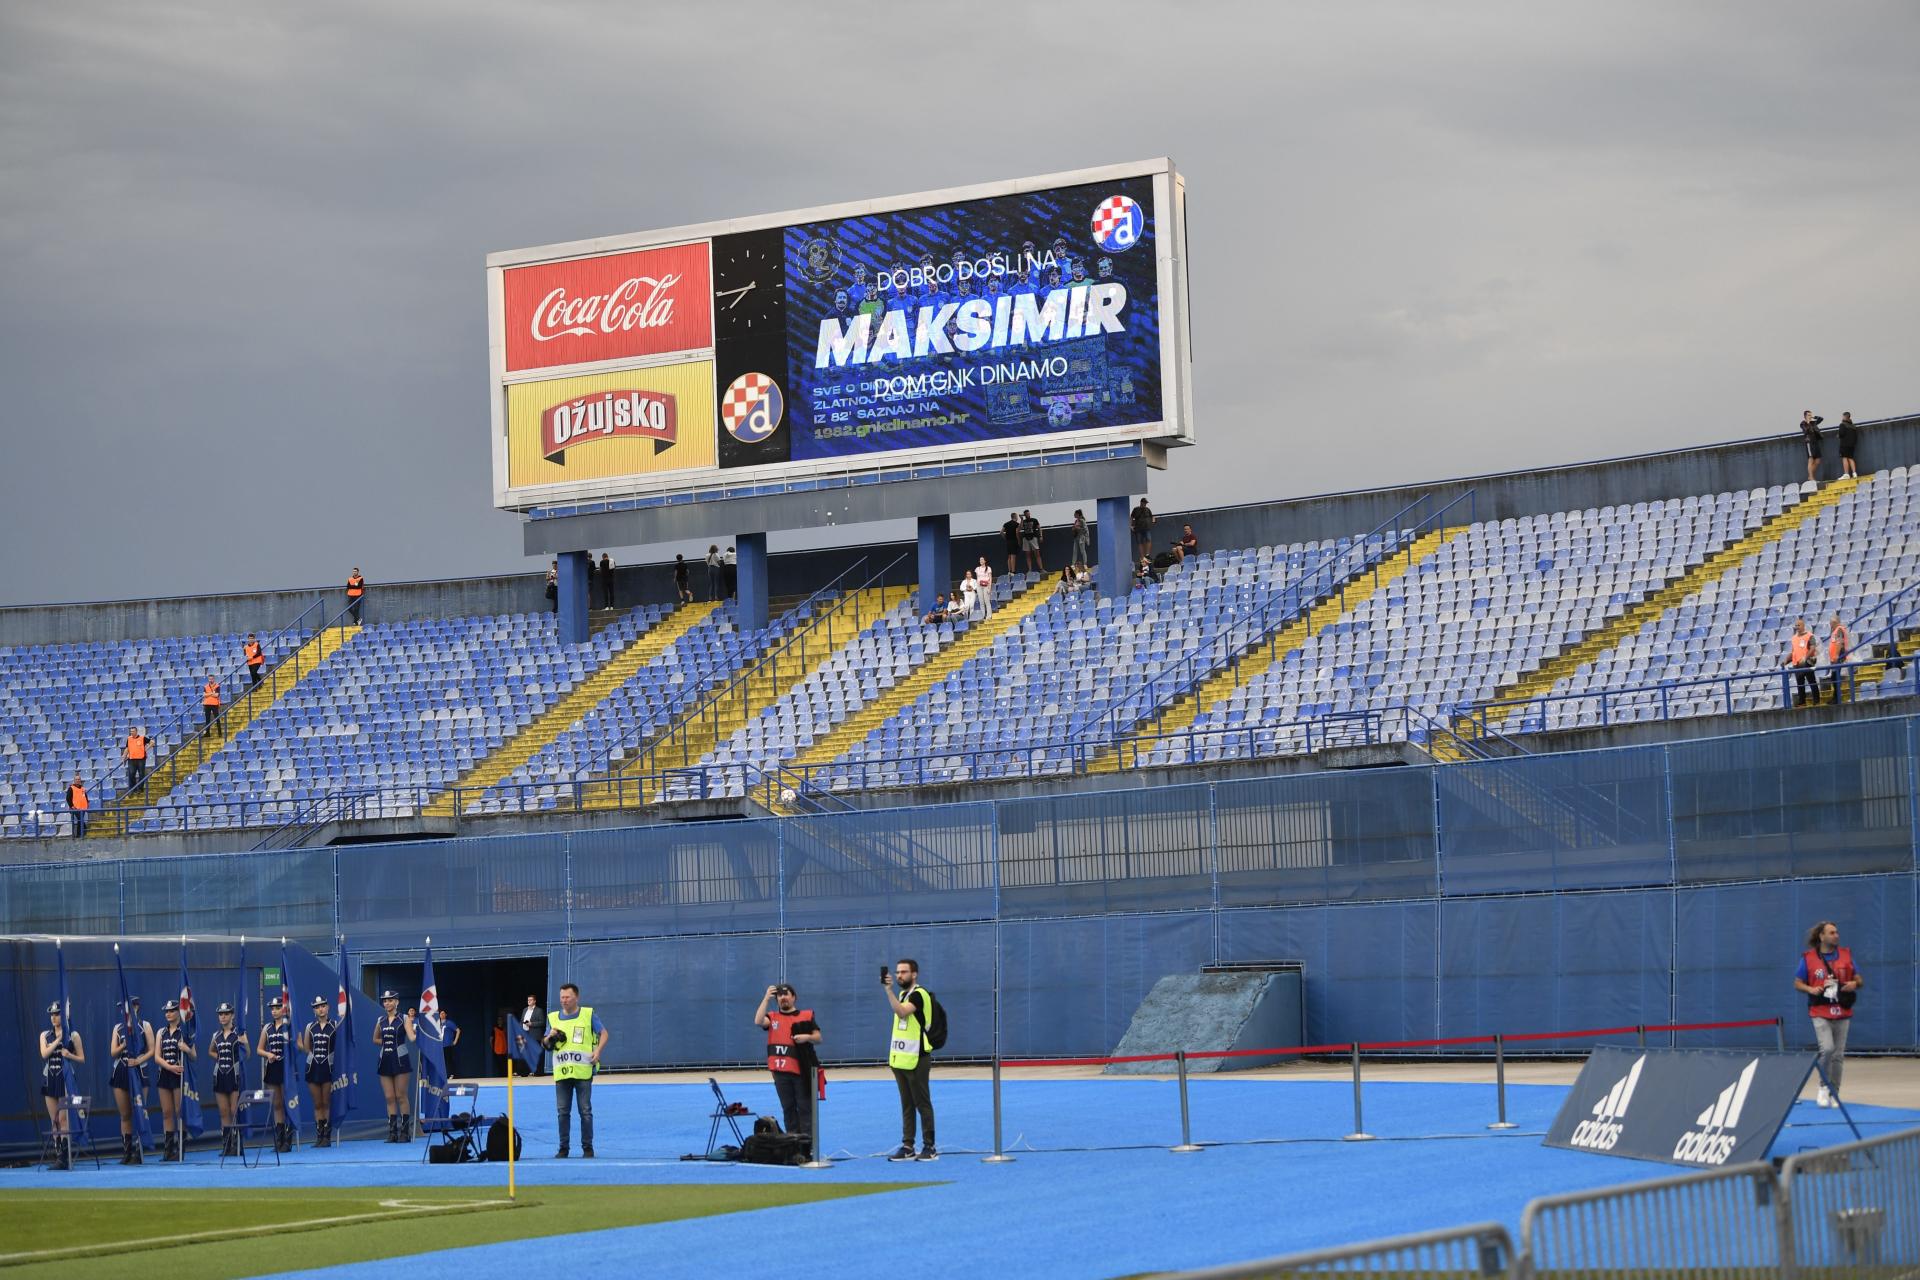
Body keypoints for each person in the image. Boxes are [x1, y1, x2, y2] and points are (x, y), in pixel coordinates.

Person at [1794, 921, 1863, 1107]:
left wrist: (1855, 984)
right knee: (1828, 1049)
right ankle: (1823, 1087)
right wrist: (1810, 989)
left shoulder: (1846, 956)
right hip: (1820, 1011)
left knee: (1838, 1055)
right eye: (1832, 932)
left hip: (1842, 1011)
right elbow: (1798, 982)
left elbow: (1859, 978)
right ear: (1821, 936)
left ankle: (1834, 1093)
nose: (1836, 935)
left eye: (1837, 932)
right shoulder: (1808, 959)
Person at [882, 958, 936, 1162]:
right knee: (906, 1103)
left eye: (903, 972)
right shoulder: (903, 994)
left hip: (918, 1057)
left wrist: (888, 991)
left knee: (922, 1102)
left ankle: (929, 1146)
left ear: (914, 974)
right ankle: (908, 1145)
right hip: (901, 1058)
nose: (899, 976)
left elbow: (902, 1012)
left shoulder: (919, 995)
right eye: (897, 972)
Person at [545, 982, 607, 1158]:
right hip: (562, 1072)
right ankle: (563, 1148)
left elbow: (604, 1033)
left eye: (567, 997)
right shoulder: (553, 1018)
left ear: (576, 997)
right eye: (562, 997)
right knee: (562, 1112)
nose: (564, 1000)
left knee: (585, 1111)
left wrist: (598, 1050)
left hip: (583, 1071)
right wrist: (549, 1037)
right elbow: (545, 1043)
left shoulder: (588, 1014)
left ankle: (587, 1147)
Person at [755, 983, 823, 1137]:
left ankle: (808, 1145)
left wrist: (807, 1037)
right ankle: (793, 1142)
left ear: (794, 997)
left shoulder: (805, 1016)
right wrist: (766, 998)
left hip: (801, 1073)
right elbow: (758, 1021)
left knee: (805, 1108)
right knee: (788, 1109)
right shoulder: (772, 1018)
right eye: (780, 995)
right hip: (780, 1074)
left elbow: (818, 1038)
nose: (783, 997)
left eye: (786, 994)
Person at [110, 995, 154, 1163]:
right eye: (122, 1007)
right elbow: (113, 1052)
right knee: (125, 1114)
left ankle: (139, 1150)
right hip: (121, 1070)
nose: (125, 1010)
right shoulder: (117, 1028)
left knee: (139, 1111)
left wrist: (138, 1060)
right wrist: (123, 1045)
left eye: (128, 1007)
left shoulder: (145, 1025)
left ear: (136, 1007)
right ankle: (127, 1151)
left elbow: (151, 1050)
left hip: (139, 1070)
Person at [40, 1001, 84, 1166]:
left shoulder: (73, 1035)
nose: (54, 1017)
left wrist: (69, 1055)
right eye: (52, 1014)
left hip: (66, 1078)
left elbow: (81, 1058)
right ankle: (58, 1154)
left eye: (57, 1014)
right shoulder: (45, 1035)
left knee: (64, 1119)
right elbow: (44, 1054)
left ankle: (65, 1155)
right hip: (50, 1077)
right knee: (55, 1120)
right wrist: (58, 1039)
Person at [154, 998, 193, 1161]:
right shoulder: (161, 1032)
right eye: (167, 1012)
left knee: (179, 1111)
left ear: (179, 1012)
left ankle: (181, 1147)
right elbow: (157, 1057)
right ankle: (168, 1149)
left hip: (180, 1075)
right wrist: (169, 1067)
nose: (169, 1014)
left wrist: (187, 1049)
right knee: (166, 1112)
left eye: (172, 1011)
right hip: (165, 1073)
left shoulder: (185, 1031)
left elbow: (194, 1056)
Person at [374, 990, 416, 1143]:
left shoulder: (404, 1018)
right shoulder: (380, 1020)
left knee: (401, 1096)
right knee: (389, 1097)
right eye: (385, 1001)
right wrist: (386, 1044)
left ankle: (405, 1132)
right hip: (384, 1060)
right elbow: (375, 1039)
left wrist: (423, 1033)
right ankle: (392, 1133)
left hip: (400, 1059)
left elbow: (411, 1037)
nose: (387, 1003)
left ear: (397, 1002)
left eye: (390, 1000)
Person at [209, 1001, 249, 1156]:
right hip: (219, 1075)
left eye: (226, 1014)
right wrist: (219, 1057)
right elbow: (211, 1051)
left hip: (235, 1074)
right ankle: (226, 1145)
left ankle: (237, 1144)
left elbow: (248, 1054)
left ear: (232, 1015)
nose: (223, 1016)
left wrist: (244, 1044)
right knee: (224, 1111)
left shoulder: (239, 1033)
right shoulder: (216, 1035)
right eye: (221, 1014)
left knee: (234, 1110)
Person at [256, 996, 295, 1152]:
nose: (274, 1011)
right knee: (277, 1104)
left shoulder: (289, 1026)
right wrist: (268, 1055)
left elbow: (299, 1045)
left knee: (287, 1103)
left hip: (286, 1067)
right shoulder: (267, 1028)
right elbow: (259, 1049)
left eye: (277, 1008)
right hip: (273, 1067)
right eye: (272, 1008)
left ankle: (288, 1140)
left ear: (283, 1009)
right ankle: (279, 1140)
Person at [300, 994, 337, 1147]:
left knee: (326, 1102)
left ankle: (327, 1136)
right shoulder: (310, 1027)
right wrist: (299, 1043)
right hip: (313, 1068)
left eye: (322, 1006)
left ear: (327, 1007)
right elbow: (306, 1047)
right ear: (314, 1010)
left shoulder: (335, 1024)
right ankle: (319, 1135)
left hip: (328, 1067)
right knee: (317, 1104)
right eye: (317, 1007)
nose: (320, 1009)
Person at [1784, 617, 1819, 706]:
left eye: (1798, 625)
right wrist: (1786, 660)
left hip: (1807, 663)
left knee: (1811, 681)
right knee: (1800, 684)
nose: (1797, 627)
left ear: (1803, 626)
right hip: (1797, 664)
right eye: (1796, 625)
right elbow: (1793, 651)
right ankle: (1802, 702)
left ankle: (1816, 700)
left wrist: (1805, 657)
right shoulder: (1794, 638)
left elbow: (1812, 648)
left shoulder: (1809, 636)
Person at [1825, 614, 1852, 703]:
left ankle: (1837, 698)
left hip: (1838, 657)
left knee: (1835, 677)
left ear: (1835, 622)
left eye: (1831, 623)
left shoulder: (1839, 630)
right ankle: (1835, 697)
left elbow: (1839, 642)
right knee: (1834, 677)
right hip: (1834, 659)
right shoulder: (1836, 630)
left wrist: (1836, 654)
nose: (1830, 625)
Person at [1799, 411, 1824, 483]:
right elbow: (1805, 431)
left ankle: (1810, 476)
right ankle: (1812, 478)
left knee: (1818, 460)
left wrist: (1814, 417)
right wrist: (1808, 422)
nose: (1810, 416)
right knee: (1811, 459)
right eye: (1808, 415)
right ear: (1805, 416)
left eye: (1811, 415)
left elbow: (1821, 419)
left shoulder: (1813, 423)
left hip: (1815, 442)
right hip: (1809, 442)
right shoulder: (1803, 423)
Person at [124, 726, 151, 793]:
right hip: (132, 759)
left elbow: (152, 742)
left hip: (141, 759)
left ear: (136, 731)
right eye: (131, 731)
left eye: (133, 731)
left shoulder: (142, 738)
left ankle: (140, 789)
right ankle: (133, 789)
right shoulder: (129, 738)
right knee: (131, 773)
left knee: (141, 774)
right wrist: (124, 756)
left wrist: (147, 749)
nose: (131, 732)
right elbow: (127, 748)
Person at [521, 995, 544, 1075]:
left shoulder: (539, 1010)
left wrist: (531, 1024)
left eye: (531, 1000)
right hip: (525, 1034)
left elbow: (542, 1022)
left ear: (534, 1001)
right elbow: (521, 1020)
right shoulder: (525, 1010)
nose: (529, 1001)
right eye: (528, 1000)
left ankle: (538, 1072)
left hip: (534, 1035)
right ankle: (525, 1072)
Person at [1836, 412, 1860, 479]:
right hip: (1852, 445)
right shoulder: (1853, 426)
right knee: (1851, 458)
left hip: (1844, 444)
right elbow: (1855, 437)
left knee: (1844, 458)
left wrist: (1838, 435)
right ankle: (1854, 473)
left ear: (1844, 417)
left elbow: (1841, 434)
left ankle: (1846, 474)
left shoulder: (1842, 424)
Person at [1020, 510, 1044, 574]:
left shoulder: (1034, 520)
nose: (1027, 515)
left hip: (1033, 538)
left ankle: (1041, 569)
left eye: (1028, 513)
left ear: (1029, 513)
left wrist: (1041, 536)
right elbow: (1020, 529)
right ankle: (1030, 570)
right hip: (1026, 539)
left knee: (1037, 553)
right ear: (1024, 515)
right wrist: (1021, 520)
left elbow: (1039, 528)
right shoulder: (1023, 521)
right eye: (1025, 514)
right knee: (1028, 555)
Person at [65, 772, 88, 838]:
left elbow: (85, 797)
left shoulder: (83, 788)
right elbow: (68, 798)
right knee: (80, 819)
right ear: (74, 780)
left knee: (80, 820)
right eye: (76, 779)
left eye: (79, 779)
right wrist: (71, 806)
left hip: (83, 808)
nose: (78, 780)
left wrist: (87, 804)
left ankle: (79, 834)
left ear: (80, 780)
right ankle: (83, 831)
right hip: (75, 808)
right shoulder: (71, 788)